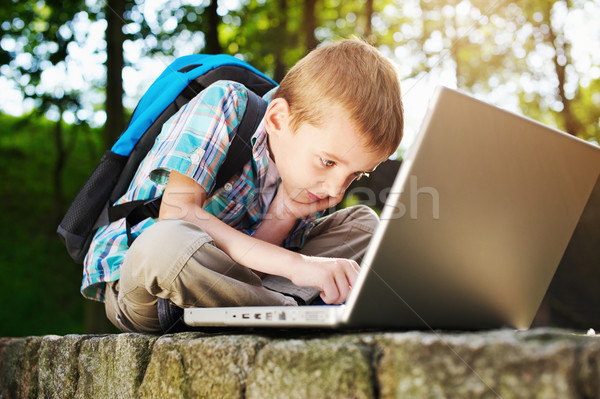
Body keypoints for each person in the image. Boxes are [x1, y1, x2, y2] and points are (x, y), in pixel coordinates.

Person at [82, 38, 404, 333]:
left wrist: (284, 214)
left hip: (240, 287)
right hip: (157, 288)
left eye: (355, 175)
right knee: (163, 243)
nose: (336, 189)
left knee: (364, 225)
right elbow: (177, 214)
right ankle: (290, 312)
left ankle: (270, 310)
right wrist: (298, 266)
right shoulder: (227, 103)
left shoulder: (304, 176)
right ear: (278, 120)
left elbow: (249, 271)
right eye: (328, 162)